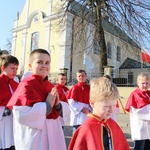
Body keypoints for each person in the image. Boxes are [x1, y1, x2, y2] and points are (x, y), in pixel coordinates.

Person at [6, 49, 66, 150]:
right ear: (30, 66)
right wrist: (46, 105)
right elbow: (20, 114)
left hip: (53, 132)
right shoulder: (26, 85)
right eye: (39, 62)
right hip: (35, 136)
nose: (44, 65)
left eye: (47, 63)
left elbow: (60, 110)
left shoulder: (51, 86)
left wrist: (57, 105)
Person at [68, 77, 130, 150]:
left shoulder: (113, 125)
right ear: (92, 103)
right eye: (106, 106)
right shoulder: (86, 129)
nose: (111, 110)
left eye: (114, 105)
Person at [125, 72, 150, 150]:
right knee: (139, 147)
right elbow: (140, 112)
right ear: (138, 83)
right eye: (143, 83)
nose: (145, 85)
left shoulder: (148, 93)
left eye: (147, 83)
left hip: (148, 127)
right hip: (140, 126)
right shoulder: (135, 94)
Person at [0, 54, 19, 150]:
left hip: (14, 122)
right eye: (12, 68)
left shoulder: (16, 84)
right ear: (3, 68)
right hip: (3, 122)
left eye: (16, 68)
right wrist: (5, 109)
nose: (15, 71)